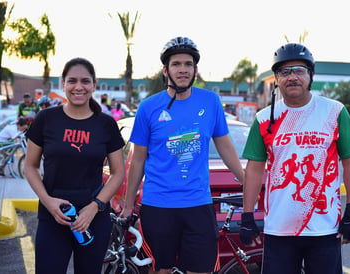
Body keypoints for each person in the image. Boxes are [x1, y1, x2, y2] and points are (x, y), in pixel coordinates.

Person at [121, 36, 245, 274]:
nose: (183, 69)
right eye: (176, 64)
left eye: (188, 64)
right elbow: (137, 159)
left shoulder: (210, 101)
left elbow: (225, 145)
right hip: (158, 205)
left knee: (200, 270)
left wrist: (245, 177)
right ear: (165, 70)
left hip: (198, 204)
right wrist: (128, 205)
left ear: (195, 69)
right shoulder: (148, 107)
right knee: (161, 270)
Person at [239, 43, 350, 274]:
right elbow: (255, 169)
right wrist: (247, 214)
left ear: (310, 75)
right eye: (284, 72)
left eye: (299, 70)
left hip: (325, 229)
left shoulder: (334, 111)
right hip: (279, 229)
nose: (292, 77)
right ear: (276, 78)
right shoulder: (264, 118)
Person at [24, 57, 125, 274]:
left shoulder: (106, 124)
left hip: (93, 219)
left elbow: (118, 173)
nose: (78, 87)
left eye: (85, 81)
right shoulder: (46, 119)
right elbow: (30, 166)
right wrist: (48, 201)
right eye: (72, 81)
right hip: (53, 217)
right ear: (63, 84)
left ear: (94, 85)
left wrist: (95, 206)